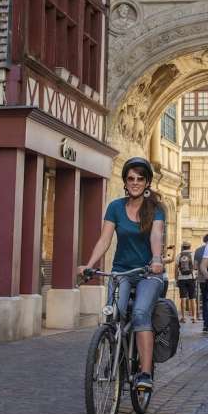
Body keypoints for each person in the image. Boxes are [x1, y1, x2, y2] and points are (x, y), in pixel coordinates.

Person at [78, 157, 165, 395]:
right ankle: (115, 355)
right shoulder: (115, 207)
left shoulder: (155, 209)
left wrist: (156, 260)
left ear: (147, 182)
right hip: (121, 272)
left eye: (140, 178)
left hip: (148, 273)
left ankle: (145, 373)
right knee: (113, 313)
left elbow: (156, 236)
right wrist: (89, 264)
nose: (135, 182)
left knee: (139, 314)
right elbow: (105, 239)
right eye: (131, 178)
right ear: (125, 182)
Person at [195, 232, 208, 333]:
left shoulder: (198, 250)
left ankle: (205, 323)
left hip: (202, 279)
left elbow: (195, 266)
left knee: (204, 301)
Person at [176, 242, 197, 323]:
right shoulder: (193, 255)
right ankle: (194, 317)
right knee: (193, 298)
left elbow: (176, 268)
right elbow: (195, 266)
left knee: (183, 298)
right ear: (189, 247)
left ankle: (183, 317)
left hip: (181, 278)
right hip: (191, 278)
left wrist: (176, 278)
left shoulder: (179, 255)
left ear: (182, 247)